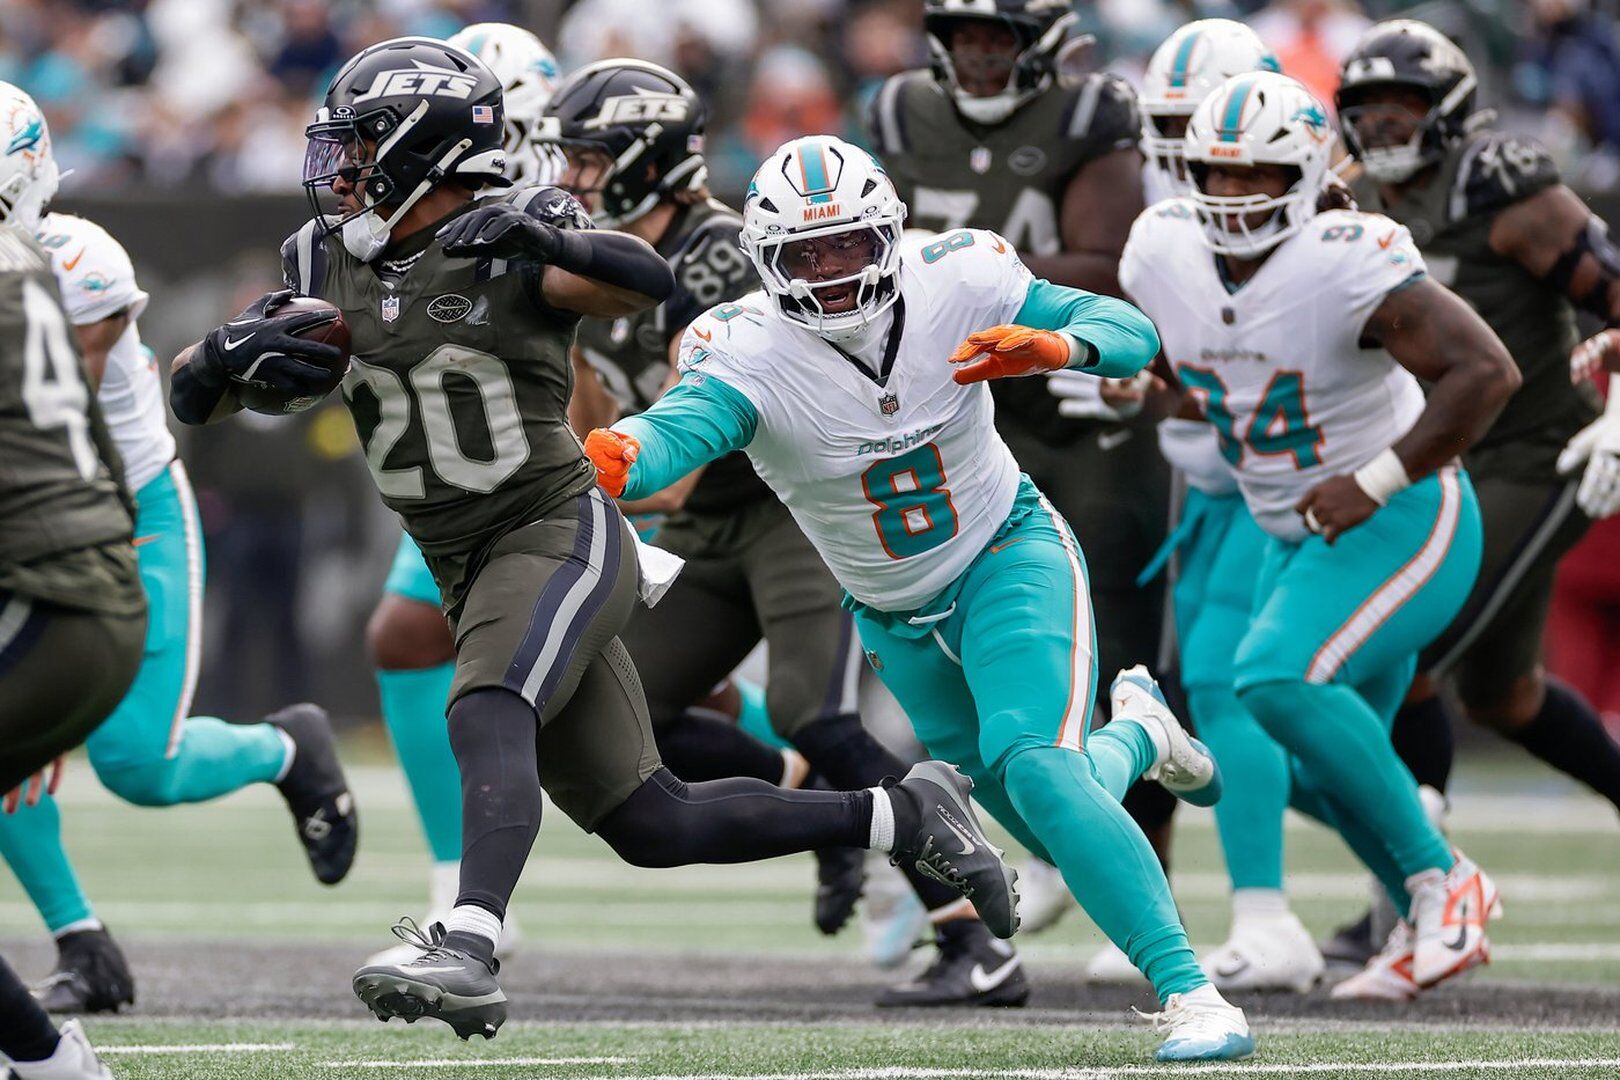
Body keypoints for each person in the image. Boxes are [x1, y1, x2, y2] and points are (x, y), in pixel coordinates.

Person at [168, 38, 1016, 1040]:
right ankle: (902, 814)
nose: (340, 169)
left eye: (360, 147)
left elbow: (639, 278)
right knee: (653, 820)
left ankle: (468, 940)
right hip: (460, 560)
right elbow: (199, 398)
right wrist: (216, 358)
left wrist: (549, 238)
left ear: (419, 149)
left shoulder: (510, 235)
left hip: (551, 529)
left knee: (488, 702)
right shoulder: (320, 257)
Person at [583, 133, 1255, 1063]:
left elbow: (1132, 332)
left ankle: (1193, 995)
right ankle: (1139, 734)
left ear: (889, 233)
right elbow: (684, 427)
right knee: (1044, 814)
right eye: (806, 255)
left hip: (1006, 555)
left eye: (848, 246)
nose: (831, 273)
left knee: (1038, 768)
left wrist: (1057, 345)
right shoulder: (743, 346)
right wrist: (625, 453)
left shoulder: (959, 276)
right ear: (765, 262)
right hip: (893, 615)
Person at [1120, 70, 1519, 1003]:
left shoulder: (1345, 258)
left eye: (1256, 176)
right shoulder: (1161, 251)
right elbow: (1220, 379)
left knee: (1272, 678)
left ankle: (1444, 879)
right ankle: (1418, 907)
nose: (1231, 196)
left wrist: (1375, 480)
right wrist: (1132, 379)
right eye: (1216, 175)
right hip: (1300, 529)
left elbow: (1485, 371)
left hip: (1401, 514)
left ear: (1301, 177)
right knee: (1317, 759)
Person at [0, 81, 357, 1016]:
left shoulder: (77, 261)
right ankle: (83, 944)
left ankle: (285, 749)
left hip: (119, 515)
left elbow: (53, 435)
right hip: (21, 525)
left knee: (138, 765)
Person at [864, 0, 1177, 975]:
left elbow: (1109, 267)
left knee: (1111, 635)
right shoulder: (899, 113)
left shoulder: (1088, 117)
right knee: (967, 680)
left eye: (997, 38)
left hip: (1073, 402)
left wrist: (962, 271)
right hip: (954, 403)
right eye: (964, 38)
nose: (979, 56)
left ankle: (1148, 880)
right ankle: (1036, 849)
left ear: (1039, 44)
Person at [1326, 18, 1620, 968]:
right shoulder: (1347, 198)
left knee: (1408, 649)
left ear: (1449, 110)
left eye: (1403, 104)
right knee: (1502, 694)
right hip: (1439, 457)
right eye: (1367, 107)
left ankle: (1411, 892)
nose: (1383, 123)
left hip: (1537, 451)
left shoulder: (1499, 186)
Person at [361, 20, 563, 969]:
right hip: (470, 460)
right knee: (407, 636)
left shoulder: (555, 201)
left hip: (572, 458)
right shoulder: (408, 216)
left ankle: (869, 816)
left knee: (693, 707)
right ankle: (462, 886)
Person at [1131, 20, 1324, 994]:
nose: (1185, 151)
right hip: (1215, 483)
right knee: (1236, 700)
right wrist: (1128, 376)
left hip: (1294, 484)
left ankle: (1268, 912)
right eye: (1167, 126)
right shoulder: (1163, 229)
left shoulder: (1319, 232)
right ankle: (1414, 853)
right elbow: (1185, 367)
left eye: (1195, 123)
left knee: (1225, 681)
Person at [0, 210, 140, 1080]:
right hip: (80, 590)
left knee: (148, 763)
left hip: (50, 595)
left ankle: (50, 1063)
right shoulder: (25, 271)